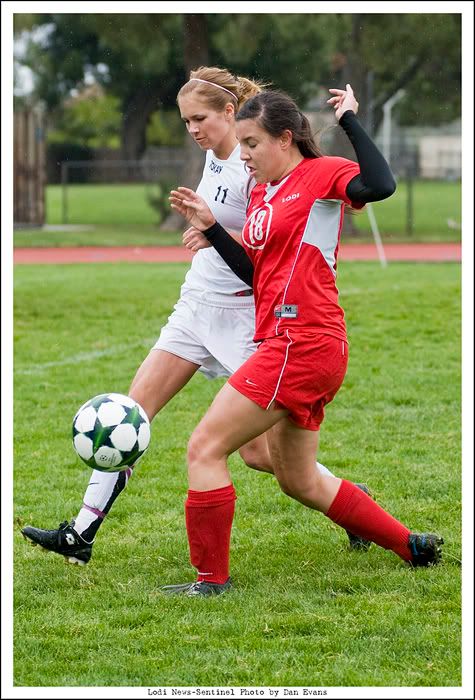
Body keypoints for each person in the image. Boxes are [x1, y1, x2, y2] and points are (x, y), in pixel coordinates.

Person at [21, 68, 370, 566]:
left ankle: (351, 511)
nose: (193, 130)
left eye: (200, 118)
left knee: (256, 455)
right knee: (131, 412)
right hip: (195, 307)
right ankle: (82, 532)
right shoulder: (213, 154)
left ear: (231, 113)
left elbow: (261, 268)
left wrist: (213, 234)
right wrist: (205, 232)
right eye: (185, 121)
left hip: (244, 317)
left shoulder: (258, 171)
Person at [162, 85, 444, 597]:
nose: (242, 156)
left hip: (302, 342)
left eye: (251, 144)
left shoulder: (321, 173)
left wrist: (351, 121)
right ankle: (413, 546)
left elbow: (381, 185)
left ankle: (211, 582)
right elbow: (256, 270)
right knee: (298, 479)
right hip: (294, 344)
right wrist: (212, 229)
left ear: (285, 138)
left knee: (204, 448)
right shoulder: (264, 192)